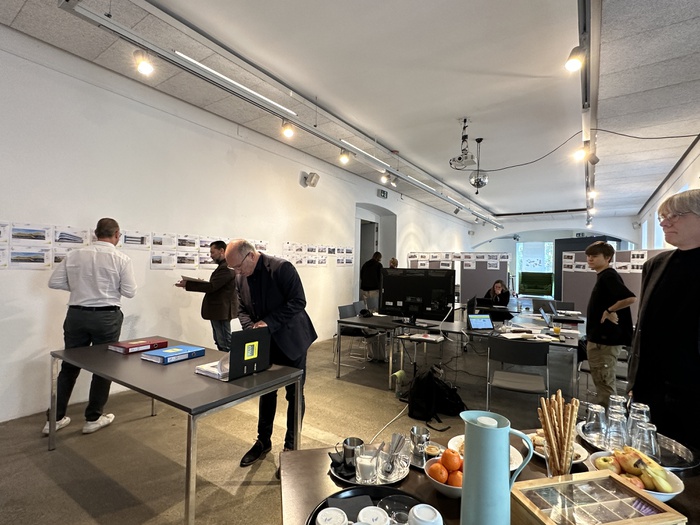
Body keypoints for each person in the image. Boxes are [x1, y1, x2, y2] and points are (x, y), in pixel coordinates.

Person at [225, 239, 318, 468]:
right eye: (233, 268)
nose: (237, 272)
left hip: (291, 340)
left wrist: (268, 322)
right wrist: (251, 328)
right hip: (265, 344)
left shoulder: (281, 268)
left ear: (251, 255)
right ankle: (263, 441)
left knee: (294, 394)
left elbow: (298, 301)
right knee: (266, 392)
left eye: (238, 266)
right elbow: (242, 309)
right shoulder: (240, 276)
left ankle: (291, 447)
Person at [44, 218, 137, 435]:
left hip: (76, 314)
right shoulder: (121, 258)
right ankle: (93, 418)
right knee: (104, 367)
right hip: (106, 316)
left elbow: (54, 282)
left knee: (69, 365)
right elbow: (130, 291)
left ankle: (54, 419)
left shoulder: (74, 254)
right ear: (117, 234)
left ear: (96, 233)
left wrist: (80, 288)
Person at [627, 189, 700, 449]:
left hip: (692, 390)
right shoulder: (656, 265)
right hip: (650, 387)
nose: (665, 223)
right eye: (663, 217)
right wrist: (634, 380)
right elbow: (644, 325)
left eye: (675, 216)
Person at [584, 241, 636, 408]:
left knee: (604, 383)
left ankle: (608, 418)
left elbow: (630, 298)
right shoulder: (603, 276)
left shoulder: (609, 276)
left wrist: (609, 310)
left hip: (604, 341)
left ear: (607, 258)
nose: (590, 259)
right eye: (588, 256)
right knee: (602, 381)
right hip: (600, 339)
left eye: (594, 256)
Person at [176, 241, 237, 351]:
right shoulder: (223, 267)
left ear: (222, 251)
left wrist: (189, 284)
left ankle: (230, 361)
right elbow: (215, 285)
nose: (211, 255)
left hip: (221, 311)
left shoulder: (226, 268)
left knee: (225, 342)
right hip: (218, 311)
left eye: (213, 252)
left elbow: (212, 287)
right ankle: (224, 361)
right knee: (219, 341)